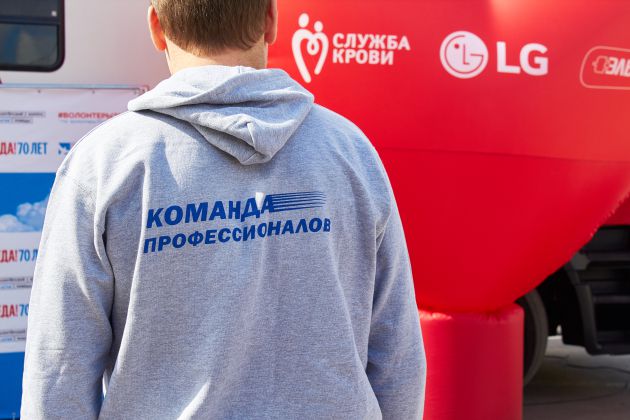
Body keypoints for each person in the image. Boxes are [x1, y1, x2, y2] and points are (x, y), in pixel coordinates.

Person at [20, 0, 426, 418]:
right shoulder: (351, 153)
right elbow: (397, 358)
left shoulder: (105, 164)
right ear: (271, 20)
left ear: (156, 27)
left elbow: (59, 372)